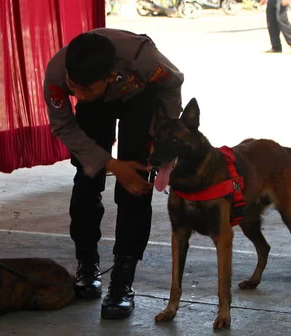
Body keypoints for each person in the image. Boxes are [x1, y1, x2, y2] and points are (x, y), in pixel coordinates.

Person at [42, 28, 184, 319]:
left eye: (86, 89)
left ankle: (122, 279)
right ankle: (87, 262)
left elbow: (174, 82)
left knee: (134, 186)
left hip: (140, 99)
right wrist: (110, 163)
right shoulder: (58, 73)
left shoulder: (142, 58)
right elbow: (63, 125)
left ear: (109, 77)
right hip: (97, 108)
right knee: (86, 179)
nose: (78, 94)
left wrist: (164, 136)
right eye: (74, 87)